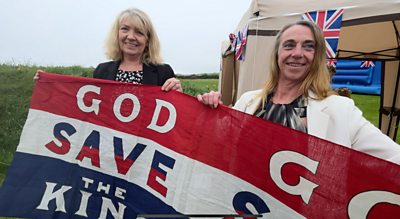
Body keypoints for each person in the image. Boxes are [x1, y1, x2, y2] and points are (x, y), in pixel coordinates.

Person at [197, 20, 400, 164]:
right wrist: (210, 112)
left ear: (317, 56)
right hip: (246, 203)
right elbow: (220, 145)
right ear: (277, 54)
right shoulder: (249, 100)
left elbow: (393, 157)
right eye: (289, 45)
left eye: (308, 47)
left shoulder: (341, 110)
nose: (297, 53)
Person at [93, 8, 182, 92]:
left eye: (139, 32)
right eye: (125, 29)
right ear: (117, 34)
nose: (131, 37)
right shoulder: (101, 71)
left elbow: (173, 106)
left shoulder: (163, 72)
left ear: (148, 41)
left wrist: (178, 95)